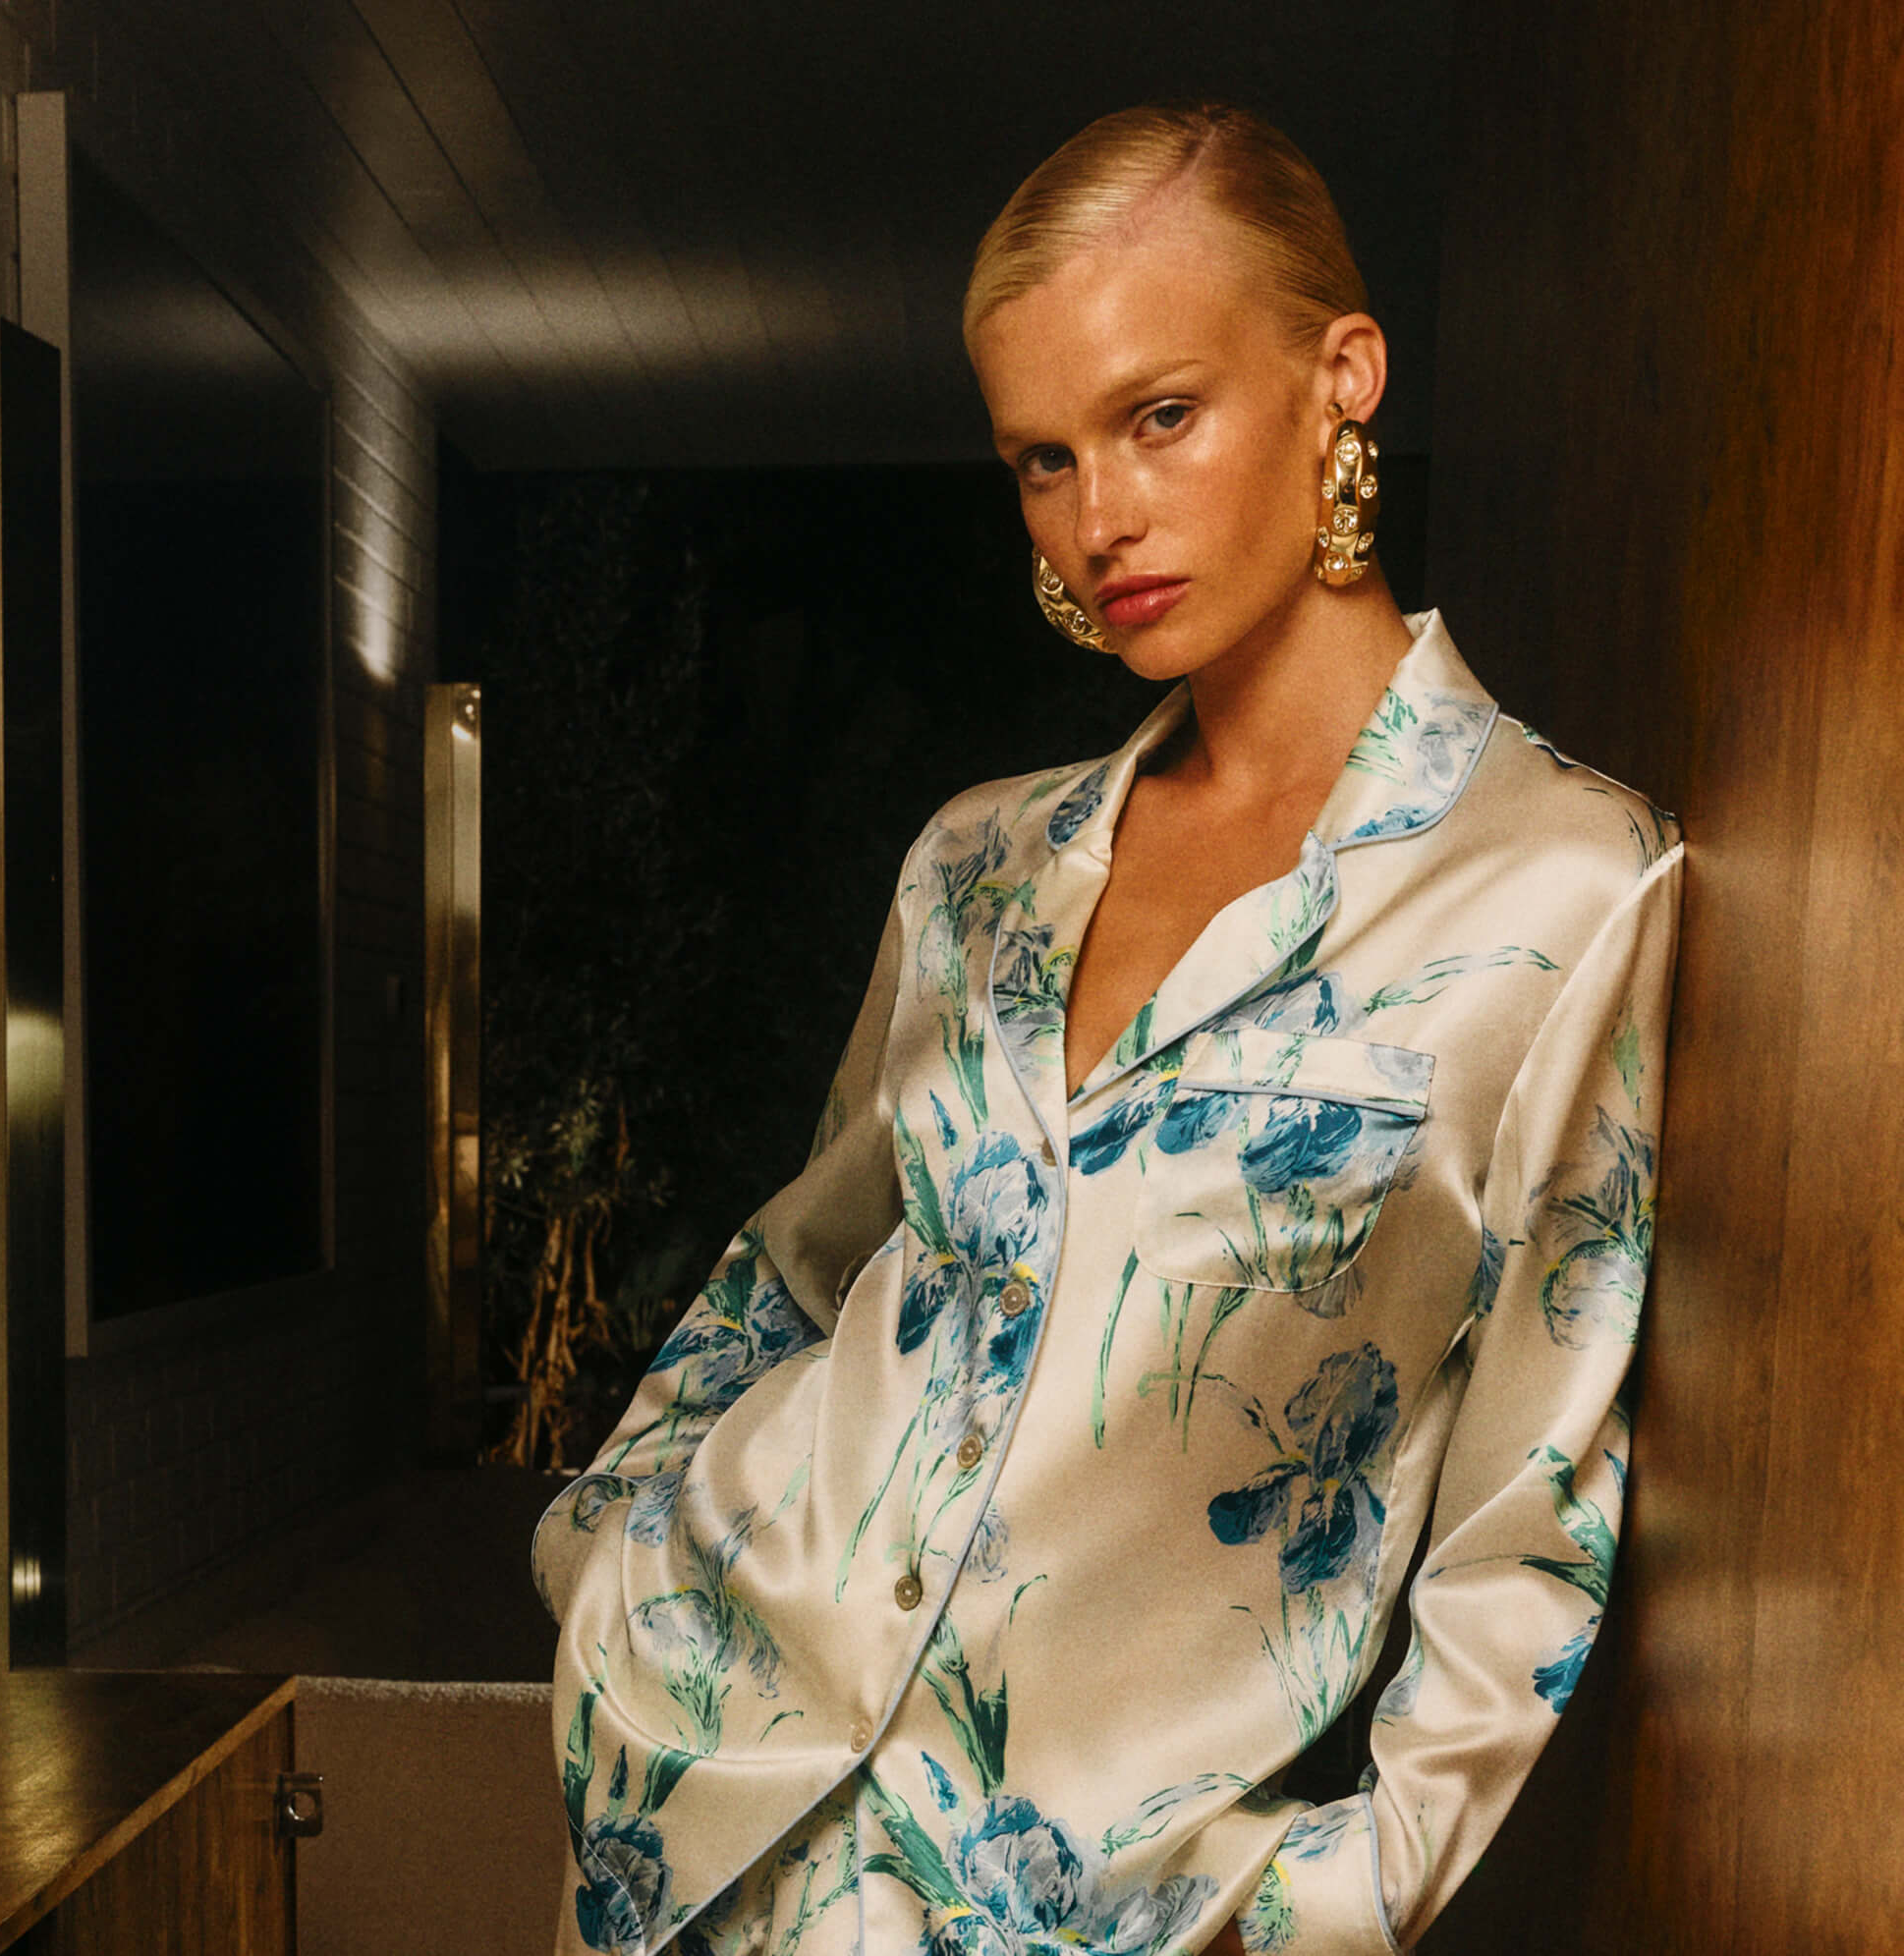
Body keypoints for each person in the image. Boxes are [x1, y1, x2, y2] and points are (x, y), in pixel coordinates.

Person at [533, 100, 1682, 1956]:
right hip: (699, 1825)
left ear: (1342, 378)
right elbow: (803, 1267)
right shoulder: (978, 863)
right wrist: (612, 1545)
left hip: (1086, 1915)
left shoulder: (1564, 888)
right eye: (1042, 459)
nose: (1099, 522)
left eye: (1160, 417)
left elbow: (1532, 1508)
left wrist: (1336, 1898)